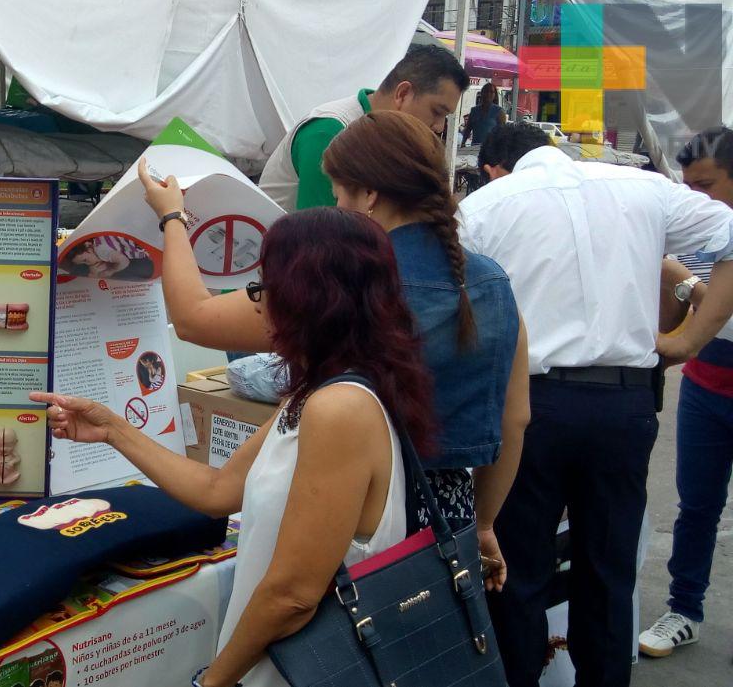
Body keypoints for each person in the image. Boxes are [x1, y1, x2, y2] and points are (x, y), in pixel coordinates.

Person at [34, 207, 459, 687]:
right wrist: (113, 429)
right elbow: (217, 490)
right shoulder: (317, 393)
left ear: (306, 299)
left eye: (263, 287)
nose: (256, 303)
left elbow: (293, 595)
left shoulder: (339, 409)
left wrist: (214, 680)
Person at [147, 110, 527, 551]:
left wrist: (172, 217)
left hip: (352, 518)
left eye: (338, 197)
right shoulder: (492, 284)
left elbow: (193, 318)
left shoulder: (343, 286)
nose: (337, 210)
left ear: (369, 195)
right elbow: (515, 418)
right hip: (450, 521)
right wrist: (484, 524)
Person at [460, 122, 733, 687]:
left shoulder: (486, 206)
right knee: (607, 571)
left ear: (497, 167)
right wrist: (689, 340)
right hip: (622, 404)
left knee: (516, 569)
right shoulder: (643, 189)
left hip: (531, 404)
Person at [641, 126, 733, 658]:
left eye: (707, 185)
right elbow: (678, 313)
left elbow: (711, 311)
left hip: (707, 364)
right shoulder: (697, 230)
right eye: (689, 186)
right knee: (697, 506)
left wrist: (688, 285)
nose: (697, 198)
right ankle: (684, 609)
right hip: (706, 387)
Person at [259, 44, 468, 211]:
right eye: (437, 111)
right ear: (403, 94)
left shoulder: (388, 138)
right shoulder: (330, 132)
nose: (439, 127)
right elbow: (321, 239)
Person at [461, 82, 507, 146]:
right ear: (482, 93)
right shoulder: (474, 110)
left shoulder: (499, 112)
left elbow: (503, 133)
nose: (488, 94)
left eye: (491, 92)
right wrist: (463, 142)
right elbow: (468, 129)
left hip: (491, 148)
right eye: (486, 91)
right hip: (475, 147)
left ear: (495, 95)